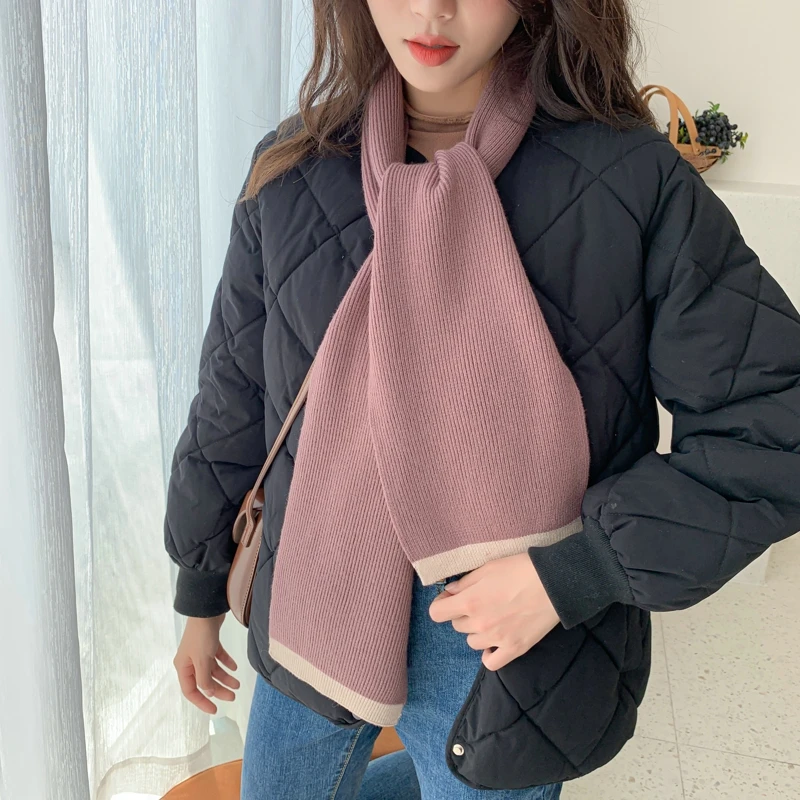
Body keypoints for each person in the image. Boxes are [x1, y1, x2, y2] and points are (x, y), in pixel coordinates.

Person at [164, 0, 800, 798]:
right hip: (311, 598)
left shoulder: (628, 176)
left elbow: (775, 425)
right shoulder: (291, 172)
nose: (433, 9)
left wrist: (575, 572)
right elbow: (233, 395)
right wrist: (200, 592)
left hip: (505, 638)